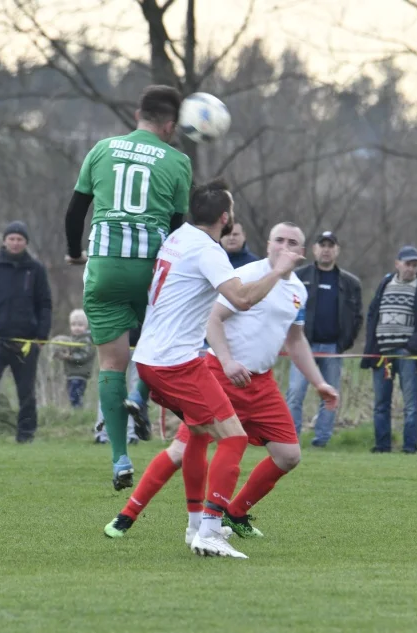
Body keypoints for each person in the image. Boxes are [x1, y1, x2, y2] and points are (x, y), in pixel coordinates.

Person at [103, 222, 338, 545]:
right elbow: (213, 319)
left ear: (301, 252)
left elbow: (296, 341)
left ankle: (235, 511)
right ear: (268, 243)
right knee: (182, 450)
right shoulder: (246, 276)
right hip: (220, 375)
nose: (285, 246)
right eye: (279, 240)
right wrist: (227, 361)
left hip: (261, 384)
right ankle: (127, 515)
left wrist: (320, 383)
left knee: (288, 456)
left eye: (293, 243)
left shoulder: (298, 290)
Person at [129, 179, 302, 558]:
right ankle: (209, 529)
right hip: (176, 362)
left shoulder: (179, 237)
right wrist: (278, 271)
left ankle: (195, 526)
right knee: (234, 438)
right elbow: (240, 299)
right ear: (225, 218)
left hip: (151, 357)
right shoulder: (208, 251)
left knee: (198, 434)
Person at [64, 85, 191, 489]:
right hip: (150, 272)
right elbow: (176, 228)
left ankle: (119, 457)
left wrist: (73, 253)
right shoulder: (177, 160)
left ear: (139, 114)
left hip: (104, 267)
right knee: (161, 345)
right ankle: (140, 396)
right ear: (170, 125)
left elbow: (75, 211)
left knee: (110, 364)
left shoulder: (102, 149)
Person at [0, 221, 53, 444]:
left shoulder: (36, 270)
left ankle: (26, 435)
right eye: (12, 239)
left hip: (26, 342)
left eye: (20, 239)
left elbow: (45, 304)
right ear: (4, 241)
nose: (15, 243)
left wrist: (41, 337)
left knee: (27, 393)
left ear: (26, 242)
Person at [286, 231, 362, 447]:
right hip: (302, 346)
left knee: (329, 397)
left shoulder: (350, 282)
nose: (326, 249)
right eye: (322, 245)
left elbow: (357, 316)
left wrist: (344, 343)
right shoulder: (299, 276)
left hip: (333, 348)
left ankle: (322, 440)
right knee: (295, 394)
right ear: (314, 249)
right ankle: (291, 438)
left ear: (337, 250)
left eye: (331, 245)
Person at [360, 246, 417, 453]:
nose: (411, 268)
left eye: (415, 265)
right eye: (407, 264)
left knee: (410, 404)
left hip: (406, 354)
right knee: (381, 402)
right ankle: (382, 445)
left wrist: (412, 346)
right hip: (382, 354)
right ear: (397, 263)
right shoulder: (385, 283)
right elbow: (372, 314)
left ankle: (410, 446)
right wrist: (372, 346)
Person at [50, 309, 96, 409]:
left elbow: (84, 356)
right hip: (71, 374)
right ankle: (76, 413)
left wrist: (69, 357)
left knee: (76, 397)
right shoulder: (72, 339)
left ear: (86, 326)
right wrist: (59, 354)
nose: (76, 328)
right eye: (74, 325)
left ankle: (78, 413)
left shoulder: (86, 339)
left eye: (80, 325)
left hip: (80, 374)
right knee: (72, 396)